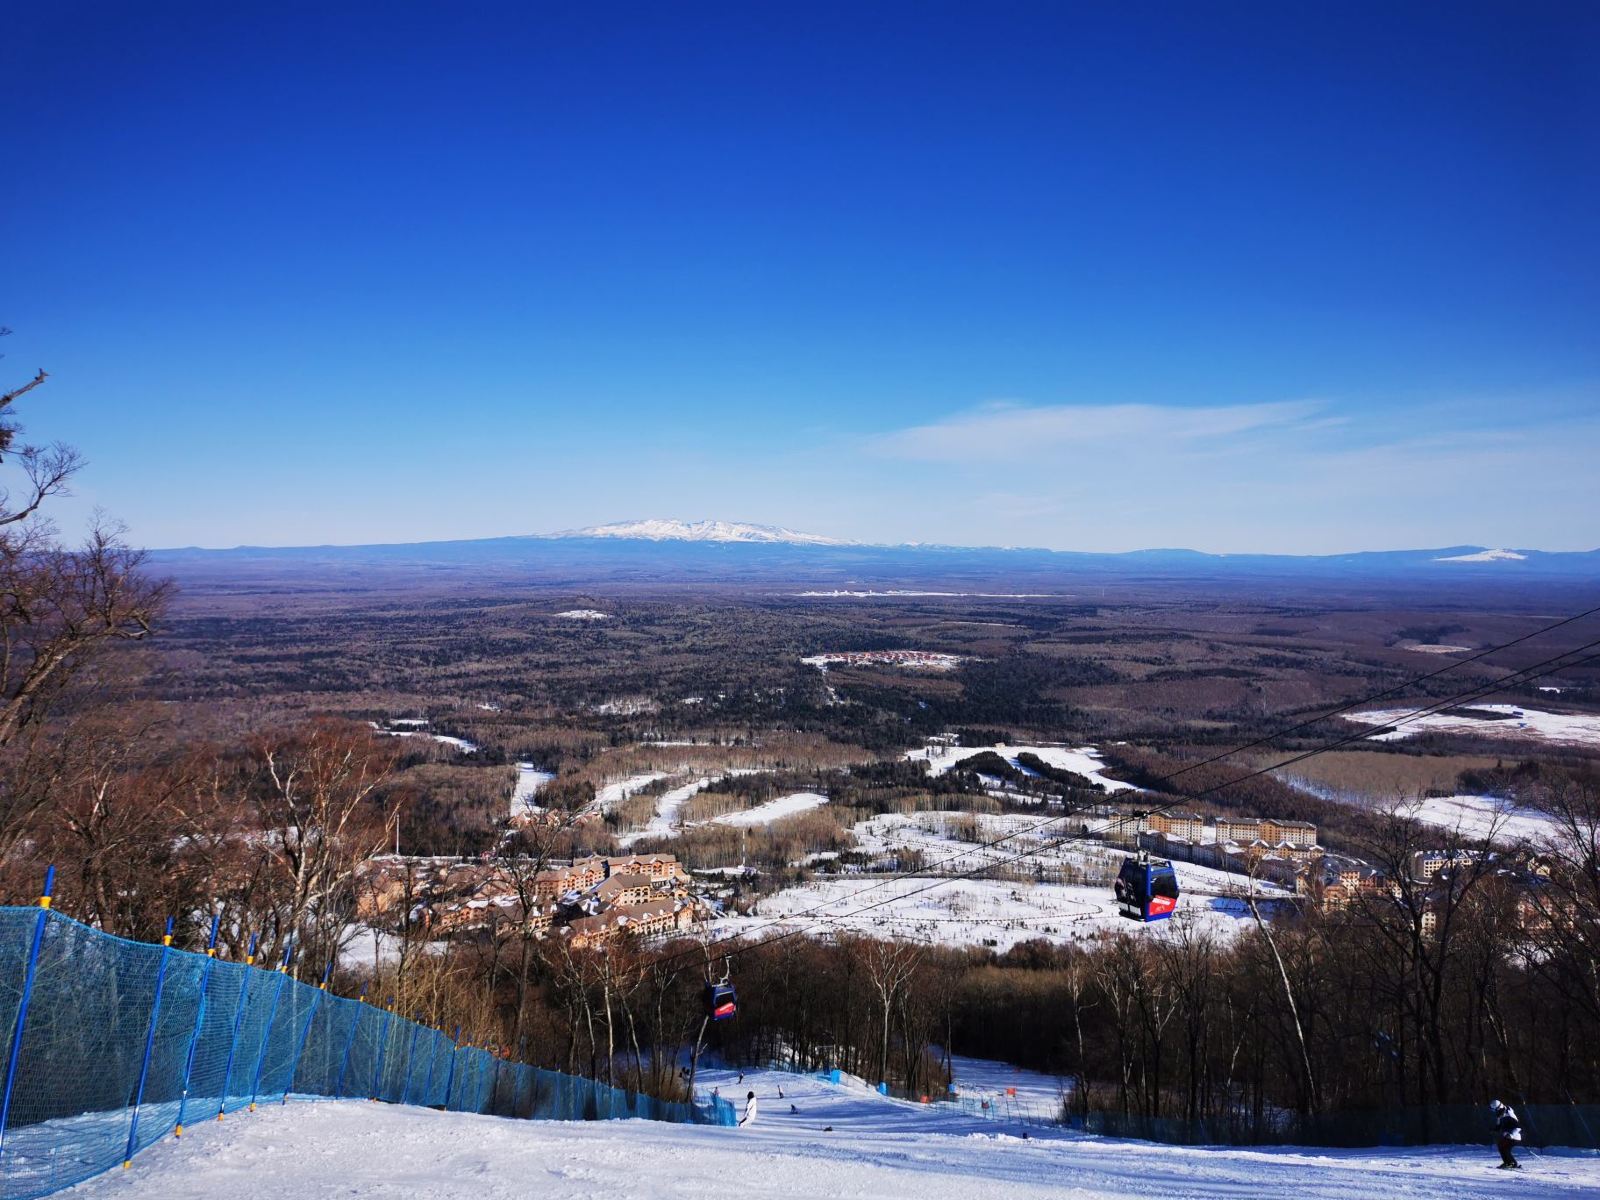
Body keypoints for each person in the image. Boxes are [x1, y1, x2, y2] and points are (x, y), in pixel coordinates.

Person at [1490, 1099, 1522, 1169]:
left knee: (1504, 1148)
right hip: (1507, 1135)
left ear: (1498, 1108)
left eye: (1495, 1110)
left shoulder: (1509, 1114)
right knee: (1501, 1147)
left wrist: (1511, 1135)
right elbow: (1499, 1125)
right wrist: (1495, 1129)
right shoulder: (1501, 1114)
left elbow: (1518, 1127)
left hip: (1514, 1136)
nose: (1495, 1112)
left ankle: (1512, 1163)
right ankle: (1507, 1162)